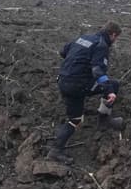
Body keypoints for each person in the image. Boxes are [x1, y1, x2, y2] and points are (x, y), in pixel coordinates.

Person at [49, 21, 125, 164]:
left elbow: (63, 52)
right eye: (116, 38)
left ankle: (104, 120)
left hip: (63, 80)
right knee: (76, 119)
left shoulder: (83, 38)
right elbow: (97, 71)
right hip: (77, 85)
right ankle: (56, 150)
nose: (115, 41)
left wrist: (76, 64)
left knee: (113, 83)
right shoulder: (101, 45)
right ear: (113, 35)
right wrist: (109, 92)